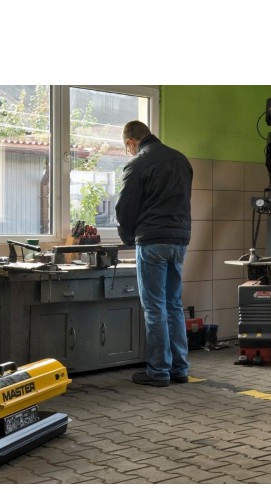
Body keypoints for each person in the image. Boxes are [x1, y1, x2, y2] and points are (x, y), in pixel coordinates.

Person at [115, 120, 193, 387]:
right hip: (179, 240)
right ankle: (179, 369)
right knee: (174, 304)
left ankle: (158, 371)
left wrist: (128, 237)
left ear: (131, 142)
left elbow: (124, 208)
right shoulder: (181, 159)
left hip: (152, 241)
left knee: (154, 307)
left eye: (127, 147)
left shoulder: (138, 164)